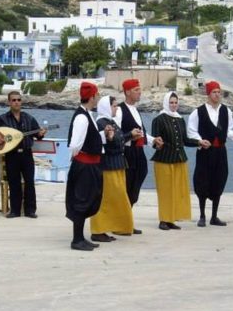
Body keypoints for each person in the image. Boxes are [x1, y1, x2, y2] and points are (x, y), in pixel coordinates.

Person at [188, 81, 233, 227]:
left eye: (219, 92)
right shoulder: (198, 112)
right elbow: (191, 131)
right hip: (205, 152)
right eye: (214, 92)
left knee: (219, 180)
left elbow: (228, 130)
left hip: (220, 152)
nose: (217, 94)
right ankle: (202, 215)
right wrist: (200, 141)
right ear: (208, 94)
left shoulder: (226, 111)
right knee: (202, 181)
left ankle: (214, 216)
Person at [0, 91, 46, 218]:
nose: (16, 102)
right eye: (13, 100)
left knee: (29, 182)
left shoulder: (28, 118)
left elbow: (37, 135)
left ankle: (30, 210)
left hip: (26, 154)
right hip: (11, 154)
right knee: (14, 182)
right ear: (9, 102)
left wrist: (41, 134)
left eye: (18, 100)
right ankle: (15, 211)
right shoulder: (3, 119)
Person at [66, 82, 112, 251]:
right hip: (84, 166)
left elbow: (87, 139)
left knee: (87, 200)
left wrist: (102, 135)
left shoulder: (87, 115)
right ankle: (76, 240)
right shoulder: (81, 117)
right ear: (91, 97)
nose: (98, 98)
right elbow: (75, 144)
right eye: (97, 95)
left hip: (89, 164)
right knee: (81, 201)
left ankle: (80, 238)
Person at [114, 78, 163, 235]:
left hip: (139, 152)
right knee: (127, 188)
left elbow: (141, 133)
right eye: (136, 90)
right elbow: (116, 134)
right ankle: (121, 224)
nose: (139, 92)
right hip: (128, 153)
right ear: (127, 92)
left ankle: (126, 221)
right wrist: (129, 135)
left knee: (134, 189)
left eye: (139, 89)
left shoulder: (135, 110)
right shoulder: (120, 110)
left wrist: (153, 140)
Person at [151, 91, 202, 230]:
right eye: (171, 103)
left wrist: (199, 142)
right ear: (166, 103)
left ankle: (171, 219)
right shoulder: (159, 119)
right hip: (164, 160)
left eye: (175, 102)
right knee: (165, 191)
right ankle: (163, 219)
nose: (174, 105)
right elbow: (154, 141)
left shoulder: (180, 120)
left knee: (176, 191)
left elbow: (185, 140)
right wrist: (157, 144)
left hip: (179, 160)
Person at [90, 95, 134, 242]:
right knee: (106, 199)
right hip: (108, 166)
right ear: (106, 107)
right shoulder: (101, 123)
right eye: (114, 105)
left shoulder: (110, 122)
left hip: (117, 164)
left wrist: (130, 136)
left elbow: (117, 139)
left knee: (117, 198)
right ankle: (98, 230)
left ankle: (116, 226)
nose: (117, 108)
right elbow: (111, 142)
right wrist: (128, 135)